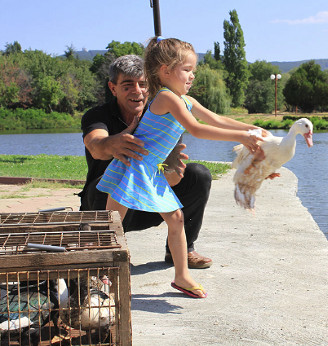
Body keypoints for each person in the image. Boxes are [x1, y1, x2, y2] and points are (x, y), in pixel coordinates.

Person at [94, 37, 265, 298]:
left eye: (193, 70)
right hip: (132, 168)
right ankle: (99, 274)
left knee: (176, 219)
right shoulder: (165, 97)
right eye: (187, 69)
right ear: (165, 71)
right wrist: (241, 138)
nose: (192, 75)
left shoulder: (186, 100)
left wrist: (251, 129)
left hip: (150, 170)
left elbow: (216, 118)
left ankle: (182, 276)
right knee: (111, 225)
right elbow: (196, 128)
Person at [79, 54, 213, 270]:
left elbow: (166, 169)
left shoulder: (165, 113)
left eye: (143, 84)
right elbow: (95, 145)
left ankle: (181, 250)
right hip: (106, 204)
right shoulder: (98, 115)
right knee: (104, 183)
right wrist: (115, 143)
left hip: (147, 205)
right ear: (113, 88)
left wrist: (170, 171)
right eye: (128, 85)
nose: (137, 91)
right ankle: (111, 252)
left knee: (199, 174)